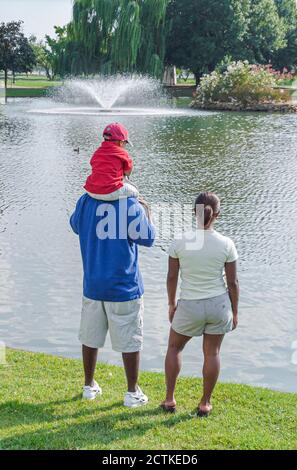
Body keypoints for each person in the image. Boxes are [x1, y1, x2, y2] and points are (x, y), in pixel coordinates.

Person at [70, 187, 155, 407]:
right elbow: (148, 238)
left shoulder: (85, 201)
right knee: (130, 339)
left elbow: (75, 225)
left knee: (90, 336)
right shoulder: (129, 204)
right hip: (124, 287)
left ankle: (89, 386)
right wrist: (144, 209)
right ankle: (131, 392)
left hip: (93, 284)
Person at [161, 191, 239, 417]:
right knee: (212, 353)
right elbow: (233, 283)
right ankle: (205, 403)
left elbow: (171, 277)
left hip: (189, 305)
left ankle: (169, 400)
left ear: (193, 213)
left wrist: (171, 304)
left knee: (174, 348)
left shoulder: (179, 241)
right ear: (218, 214)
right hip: (218, 306)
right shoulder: (226, 243)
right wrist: (235, 311)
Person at [84, 122, 139, 201]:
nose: (124, 146)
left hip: (91, 191)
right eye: (125, 143)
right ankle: (129, 211)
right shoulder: (122, 153)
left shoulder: (97, 152)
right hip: (111, 192)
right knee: (135, 192)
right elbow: (128, 172)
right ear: (121, 142)